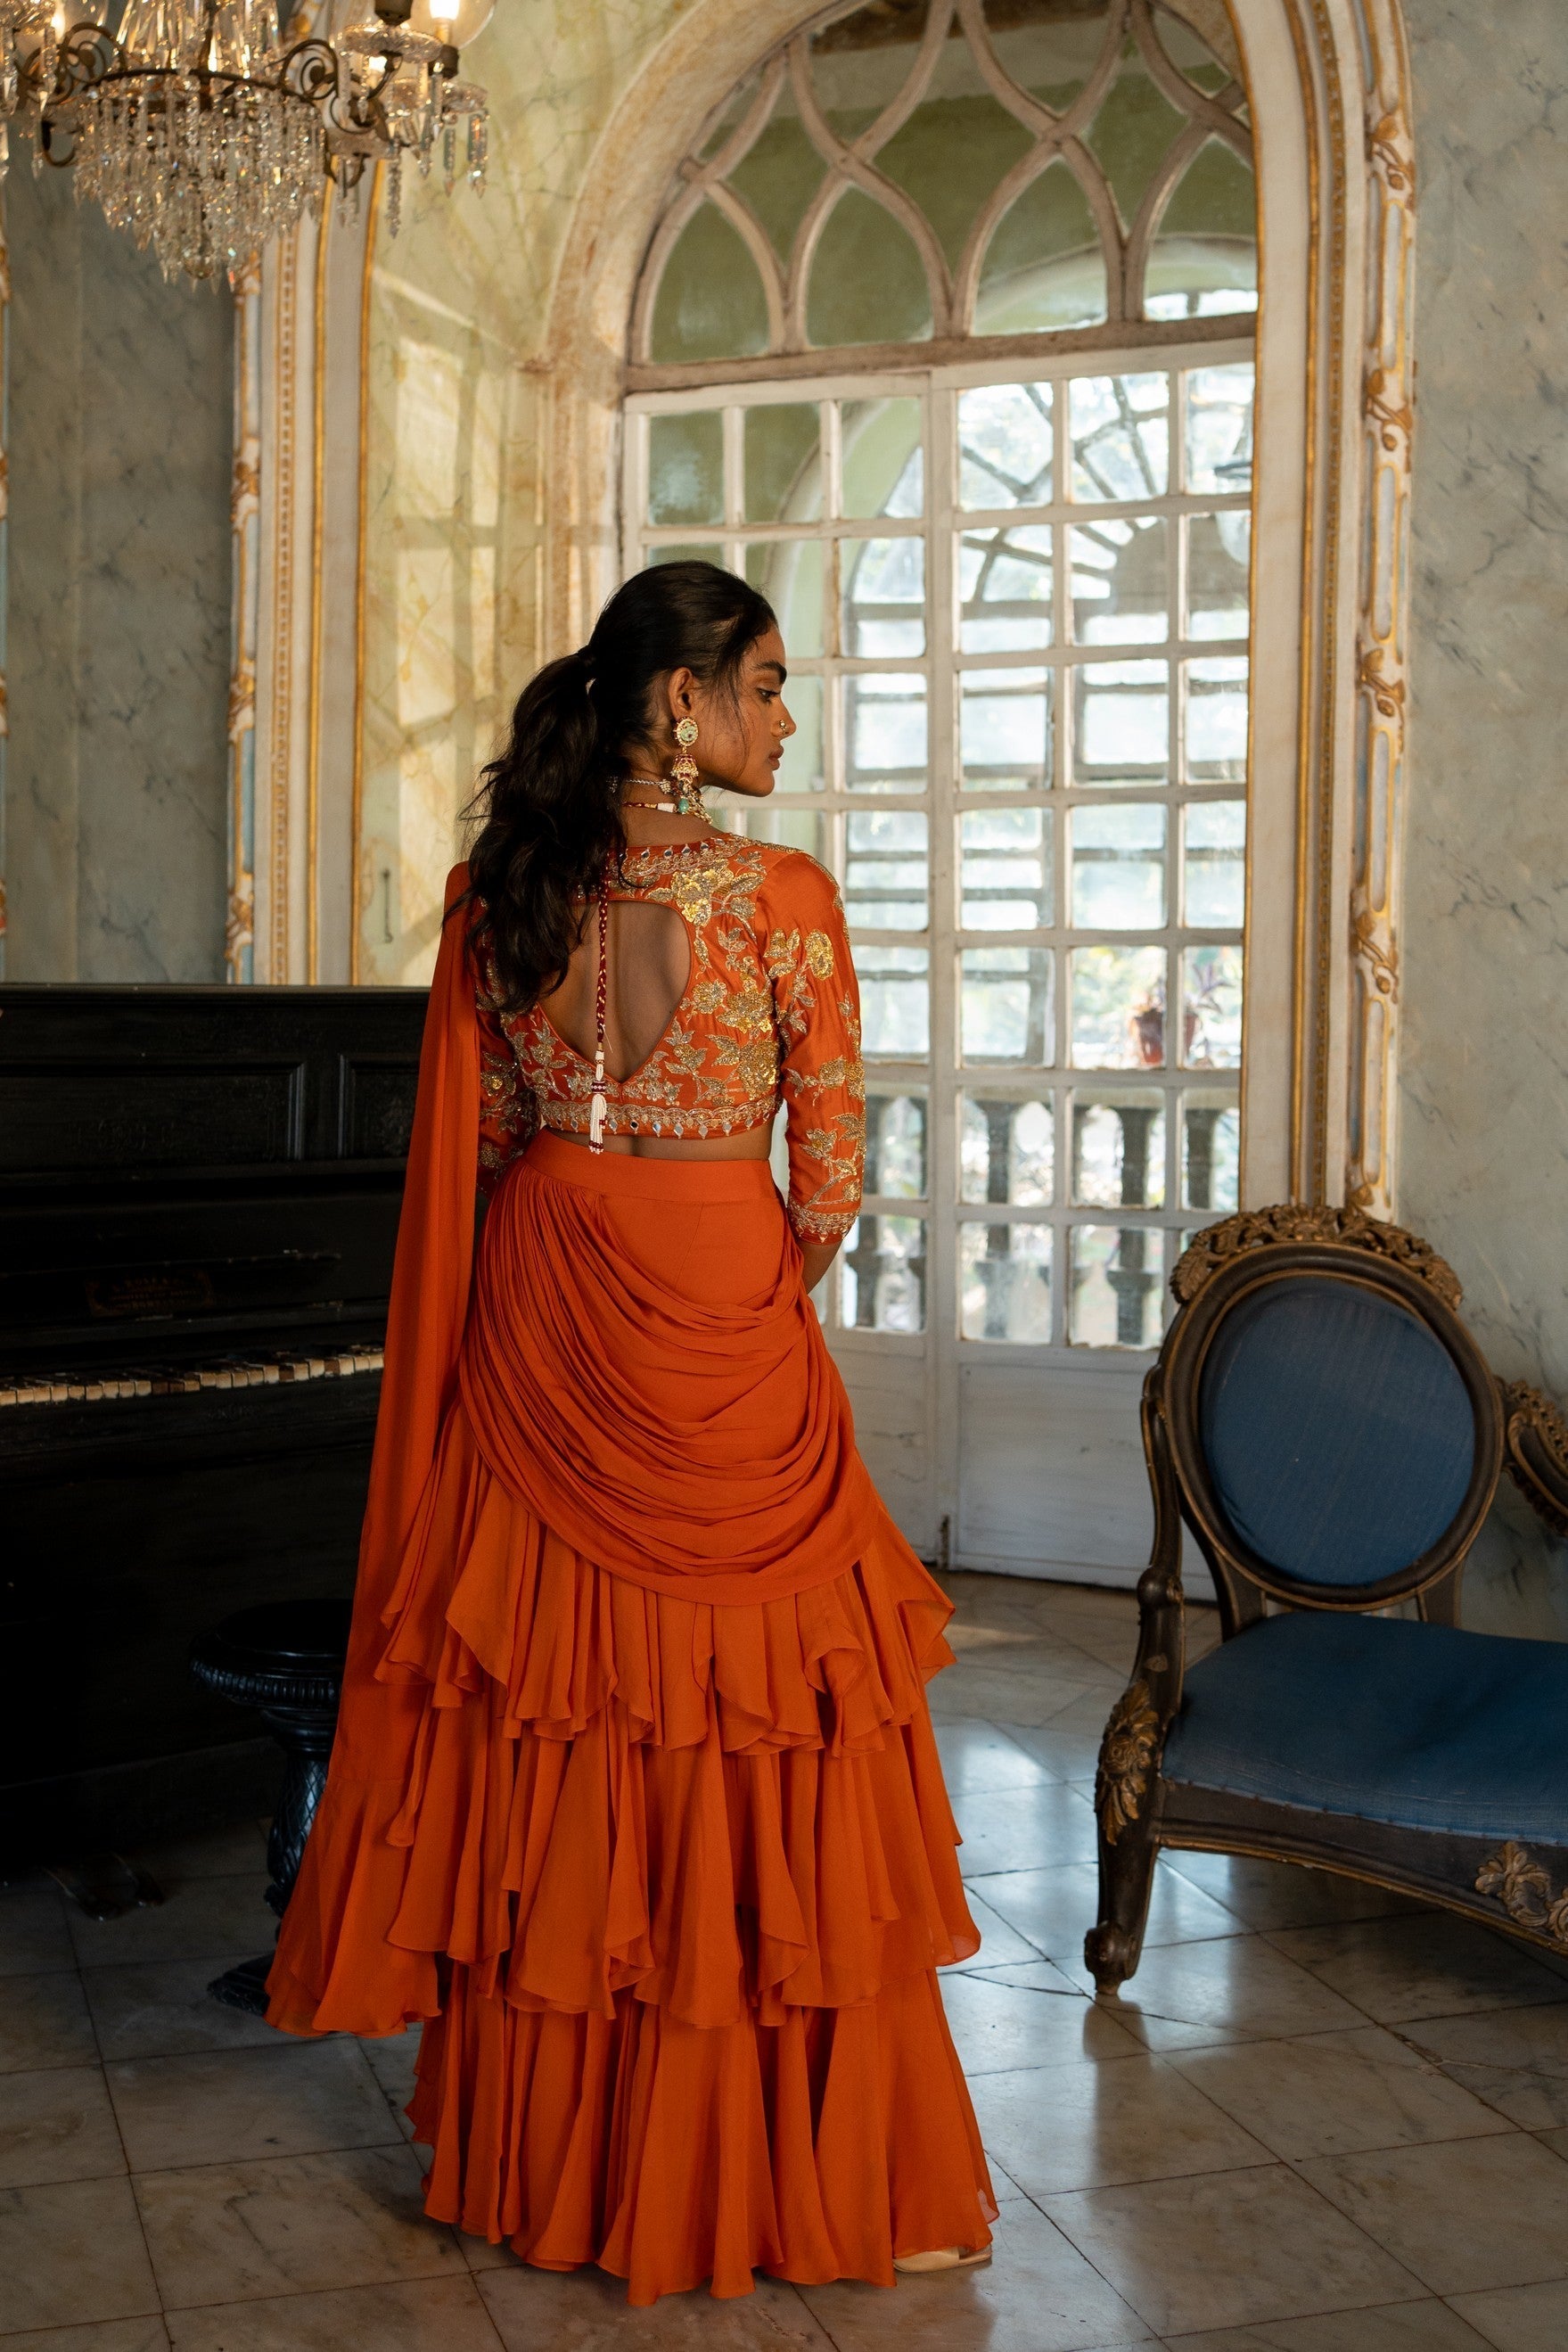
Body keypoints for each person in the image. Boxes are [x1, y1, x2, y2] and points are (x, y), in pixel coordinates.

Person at [267, 561, 997, 2304]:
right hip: (713, 1315)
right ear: (681, 702)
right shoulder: (783, 901)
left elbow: (490, 1137)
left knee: (565, 1721)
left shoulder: (496, 893)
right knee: (754, 1723)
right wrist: (729, 1243)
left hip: (539, 1308)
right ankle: (762, 2161)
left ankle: (551, 2165)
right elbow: (826, 1185)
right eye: (764, 682)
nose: (783, 716)